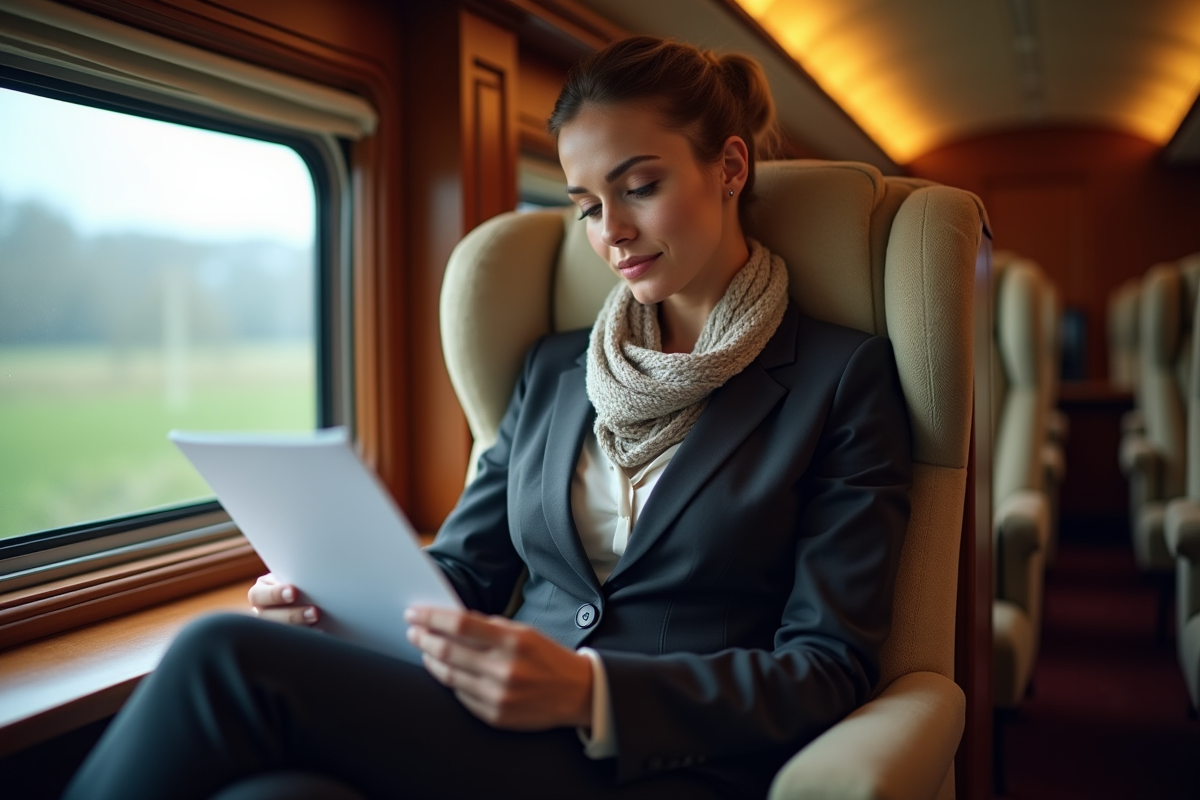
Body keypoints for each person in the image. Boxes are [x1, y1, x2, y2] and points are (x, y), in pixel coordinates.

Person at [62, 35, 912, 800]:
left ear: (729, 168)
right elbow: (462, 578)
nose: (611, 231)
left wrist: (590, 692)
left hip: (669, 762)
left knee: (220, 657)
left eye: (640, 186)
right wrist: (334, 613)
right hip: (493, 727)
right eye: (584, 204)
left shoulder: (840, 379)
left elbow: (826, 669)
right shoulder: (554, 370)